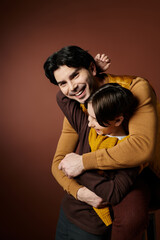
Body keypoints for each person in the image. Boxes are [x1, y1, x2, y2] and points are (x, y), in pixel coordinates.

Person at [43, 46, 159, 239]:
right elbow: (58, 163)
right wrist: (80, 193)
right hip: (77, 208)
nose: (71, 88)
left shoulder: (134, 88)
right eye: (62, 83)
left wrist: (82, 163)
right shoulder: (78, 107)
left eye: (75, 75)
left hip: (136, 177)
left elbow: (142, 148)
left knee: (132, 217)